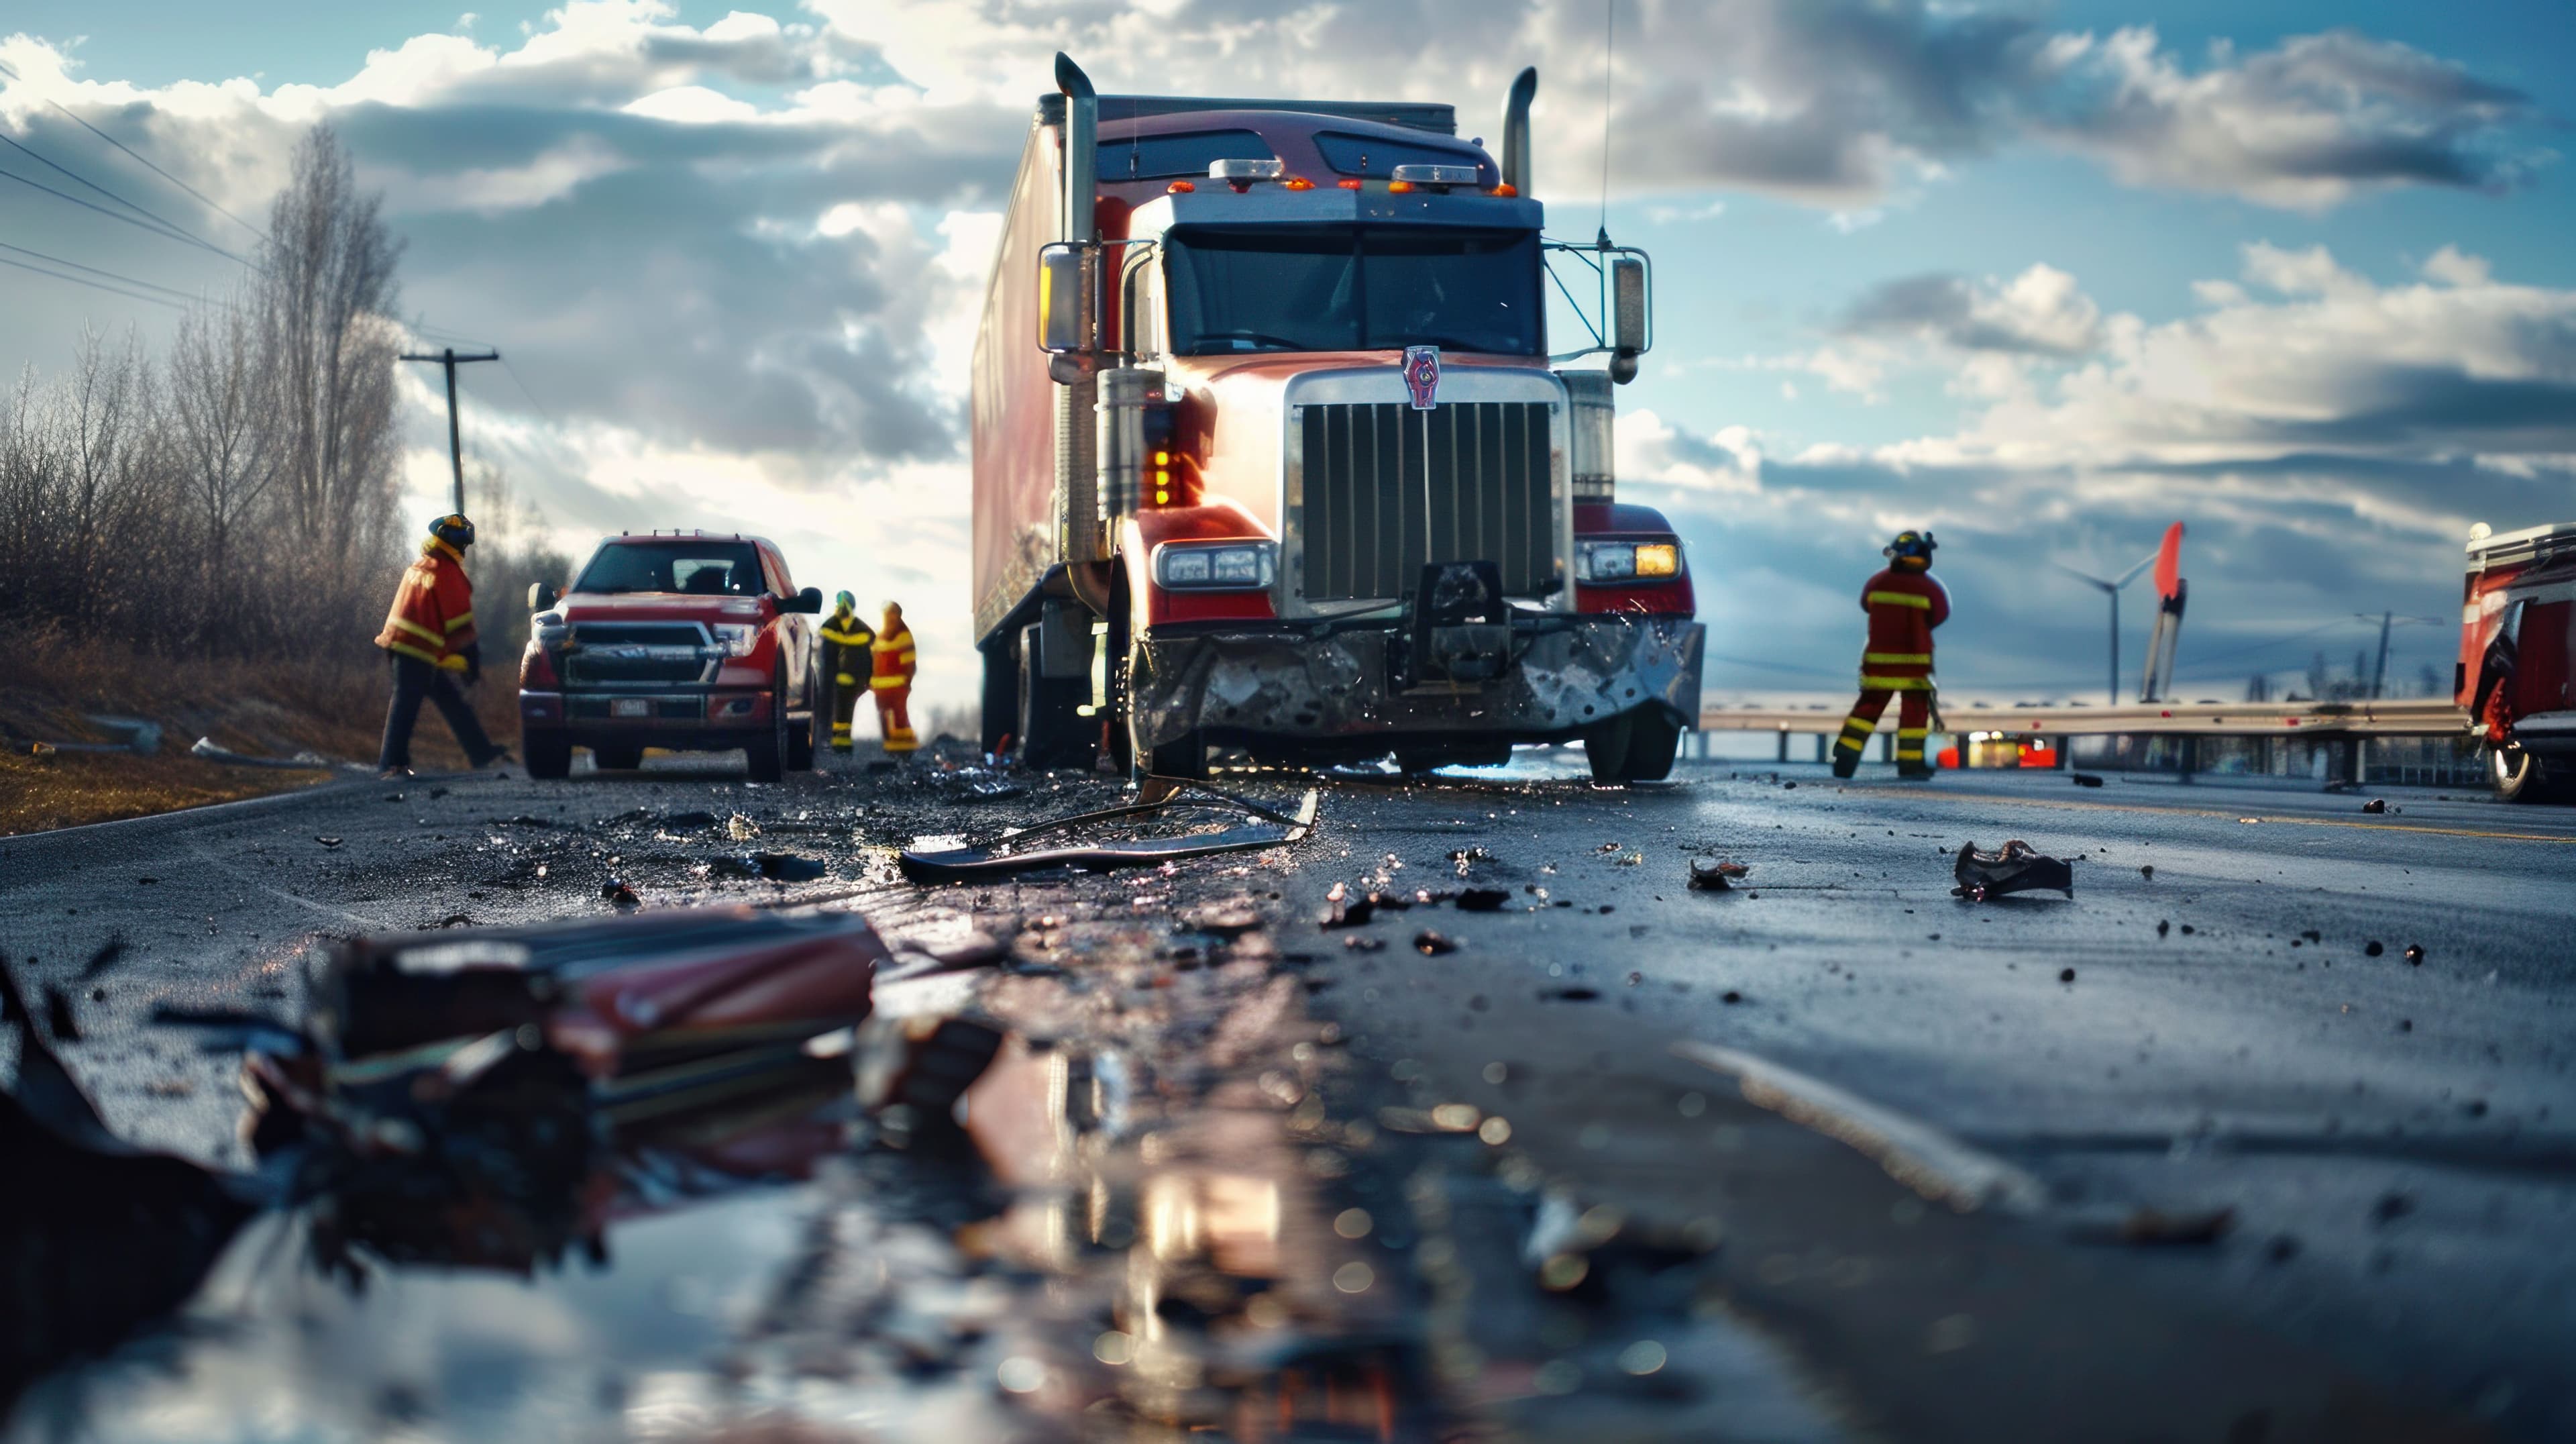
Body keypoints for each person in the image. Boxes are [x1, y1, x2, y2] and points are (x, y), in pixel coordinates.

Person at [375, 513, 510, 778]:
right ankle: (391, 763)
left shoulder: (420, 566)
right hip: (417, 649)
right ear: (456, 542)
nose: (464, 548)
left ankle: (480, 752)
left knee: (448, 700)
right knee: (406, 702)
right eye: (463, 542)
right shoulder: (448, 573)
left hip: (399, 644)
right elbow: (459, 623)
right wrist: (471, 661)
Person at [1831, 530, 1949, 780]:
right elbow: (1940, 615)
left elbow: (1866, 605)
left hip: (1879, 663)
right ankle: (1910, 766)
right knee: (1914, 716)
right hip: (1915, 665)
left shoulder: (1877, 583)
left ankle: (1846, 759)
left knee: (1866, 711)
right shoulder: (1930, 588)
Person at [816, 590, 875, 755]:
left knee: (843, 713)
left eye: (844, 604)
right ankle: (833, 745)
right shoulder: (831, 626)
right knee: (834, 714)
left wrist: (871, 678)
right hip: (831, 682)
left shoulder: (861, 629)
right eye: (839, 604)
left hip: (854, 681)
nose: (841, 608)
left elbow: (874, 653)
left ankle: (839, 747)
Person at [870, 601, 918, 754]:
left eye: (892, 614)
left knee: (900, 719)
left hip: (898, 687)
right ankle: (890, 750)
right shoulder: (880, 636)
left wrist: (906, 682)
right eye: (887, 614)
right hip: (880, 688)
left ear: (898, 615)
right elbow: (874, 662)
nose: (889, 617)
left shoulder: (904, 635)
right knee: (883, 717)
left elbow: (909, 663)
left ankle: (904, 752)